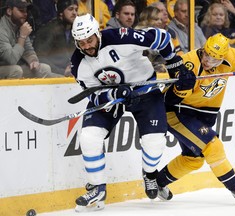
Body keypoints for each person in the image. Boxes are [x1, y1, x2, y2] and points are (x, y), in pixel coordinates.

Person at [70, 13, 189, 211]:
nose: (86, 46)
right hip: (113, 97)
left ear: (97, 34)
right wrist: (112, 94)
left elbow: (161, 36)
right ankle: (97, 188)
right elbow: (92, 94)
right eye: (81, 43)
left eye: (89, 40)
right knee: (89, 137)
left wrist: (173, 61)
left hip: (144, 91)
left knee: (155, 140)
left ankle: (150, 175)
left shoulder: (121, 37)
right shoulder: (78, 63)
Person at [155, 33, 235, 204]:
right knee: (213, 145)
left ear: (223, 57)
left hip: (201, 115)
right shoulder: (189, 62)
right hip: (177, 112)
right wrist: (183, 86)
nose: (208, 61)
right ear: (204, 49)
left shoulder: (230, 56)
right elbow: (170, 99)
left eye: (214, 59)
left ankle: (157, 182)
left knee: (193, 159)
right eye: (206, 54)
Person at [0, 0, 63, 79]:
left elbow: (29, 50)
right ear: (9, 11)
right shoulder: (2, 29)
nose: (25, 14)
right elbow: (11, 60)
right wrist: (22, 36)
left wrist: (33, 60)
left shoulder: (19, 25)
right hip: (4, 68)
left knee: (44, 69)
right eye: (21, 10)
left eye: (26, 11)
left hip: (14, 68)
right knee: (16, 70)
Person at [33, 0, 78, 76]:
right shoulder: (49, 30)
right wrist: (62, 71)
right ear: (60, 13)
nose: (74, 13)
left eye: (76, 10)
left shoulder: (75, 30)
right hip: (52, 74)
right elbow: (39, 57)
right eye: (70, 9)